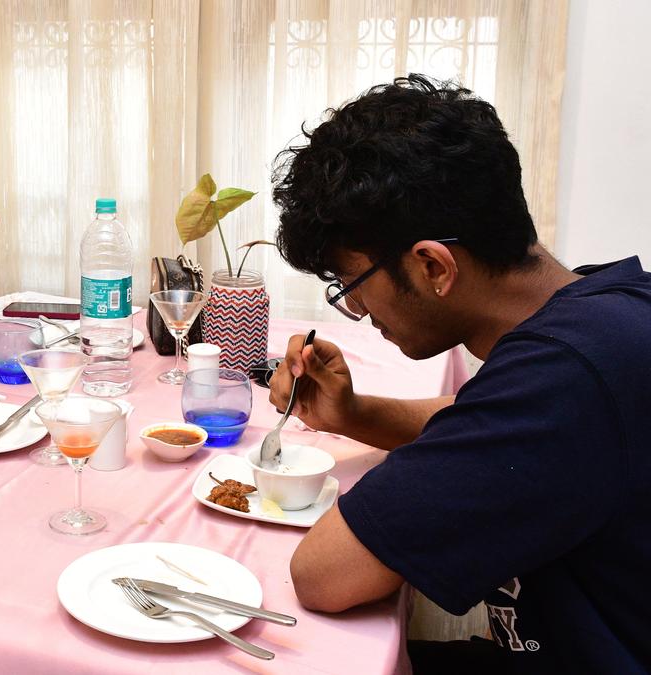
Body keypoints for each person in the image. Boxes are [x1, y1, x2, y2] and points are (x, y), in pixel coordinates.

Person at [269, 74, 651, 672]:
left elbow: (323, 573)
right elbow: (477, 418)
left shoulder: (565, 377)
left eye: (353, 285)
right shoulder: (604, 312)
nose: (358, 311)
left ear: (432, 267)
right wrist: (352, 413)